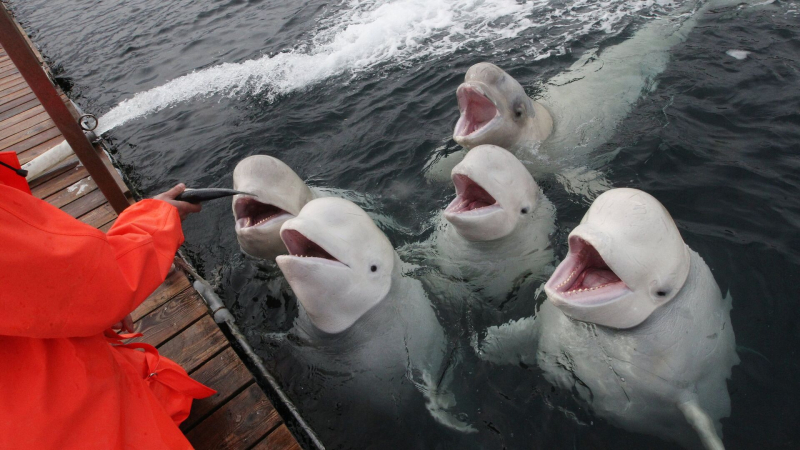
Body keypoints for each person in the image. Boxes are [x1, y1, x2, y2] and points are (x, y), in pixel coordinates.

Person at [0, 154, 215, 450]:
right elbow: (96, 282)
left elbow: (21, 286)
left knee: (164, 382)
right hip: (42, 424)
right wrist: (158, 217)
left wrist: (81, 316)